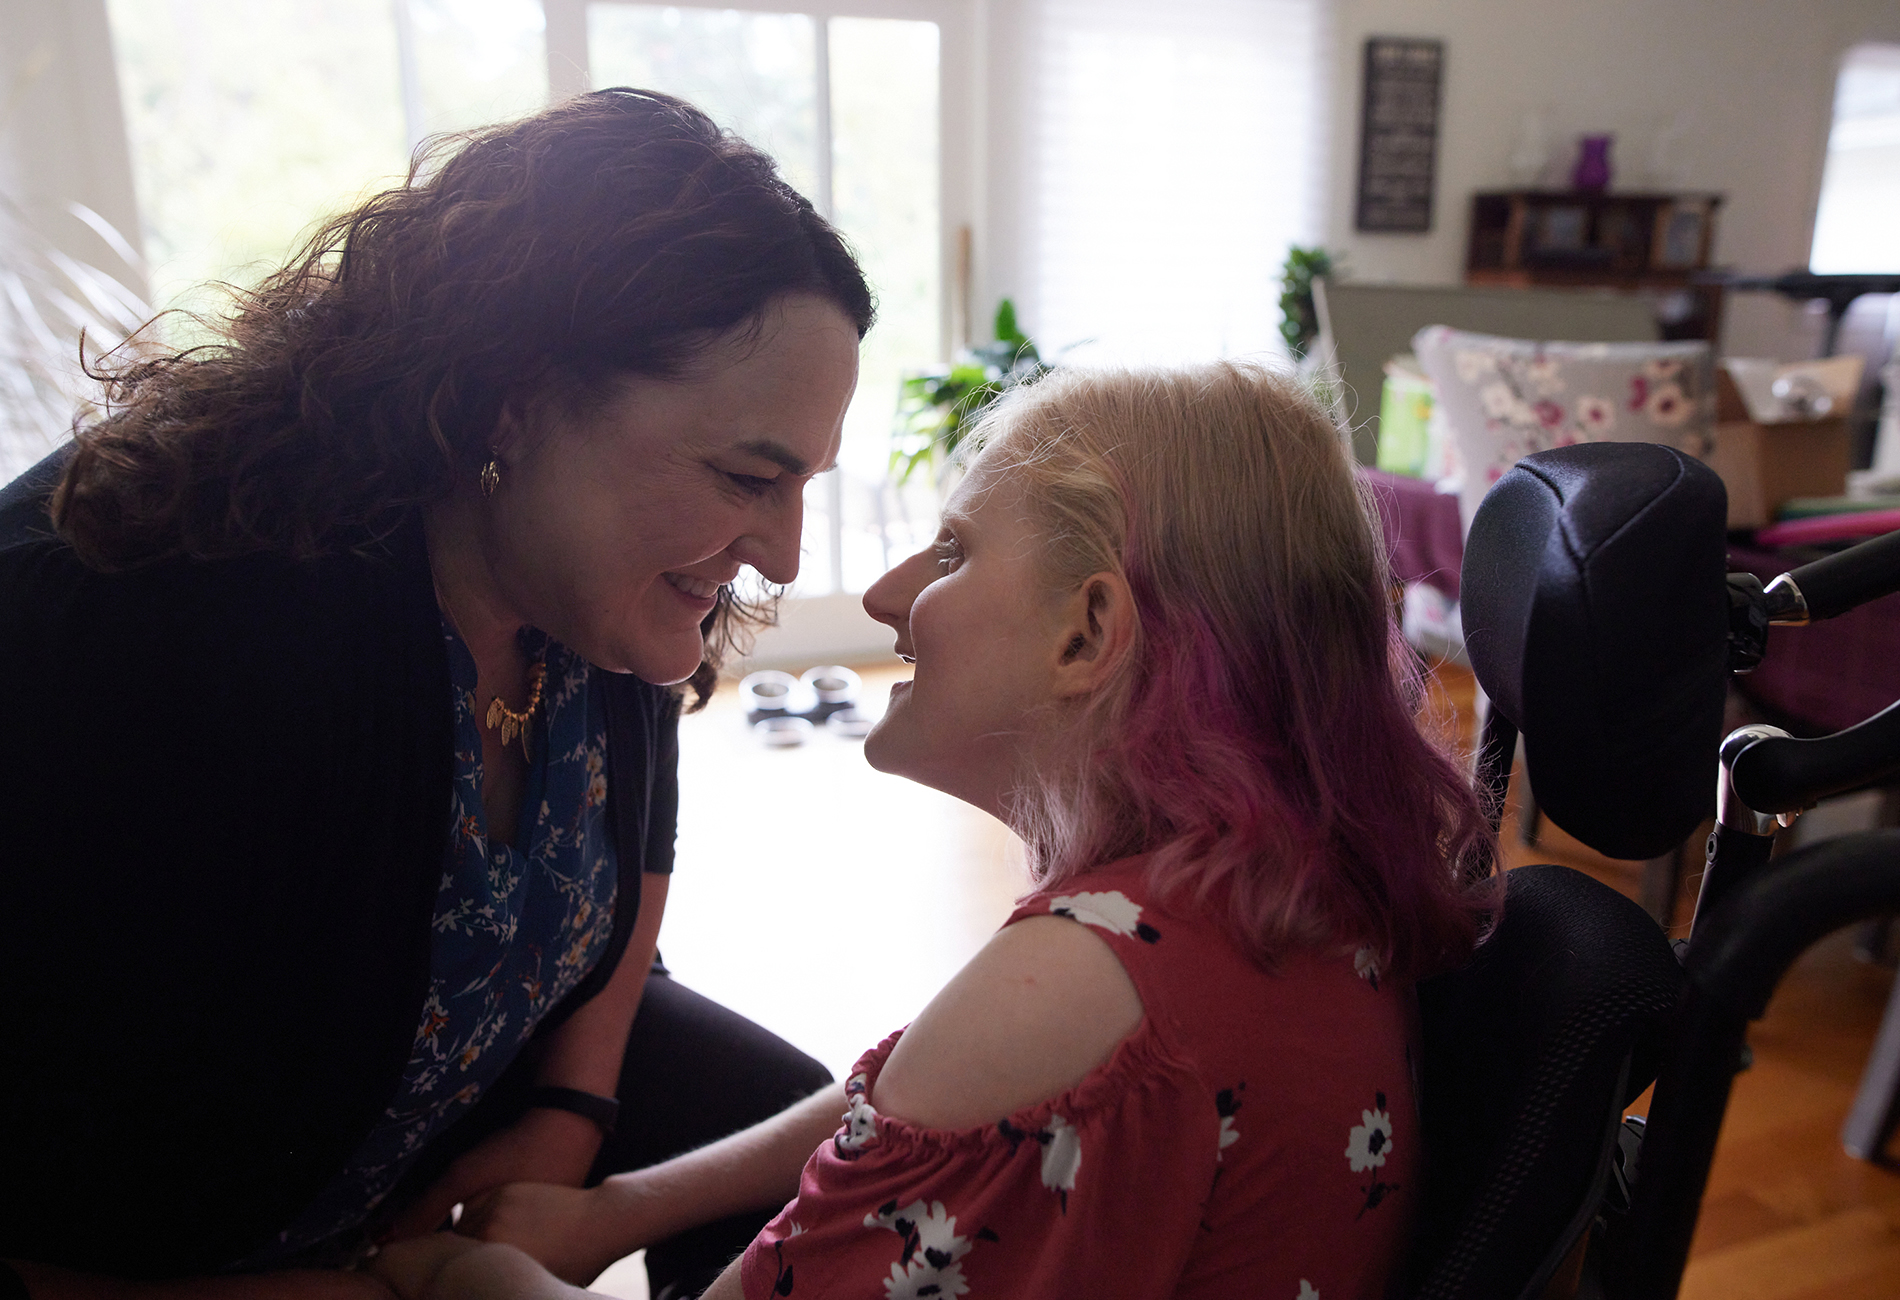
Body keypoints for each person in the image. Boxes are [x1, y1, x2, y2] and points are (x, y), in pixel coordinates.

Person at [0, 89, 874, 1300]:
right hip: (147, 1248)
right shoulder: (170, 640)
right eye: (745, 478)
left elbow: (637, 847)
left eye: (800, 488)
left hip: (414, 1120)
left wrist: (573, 1107)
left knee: (806, 1140)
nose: (782, 554)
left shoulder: (588, 599)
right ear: (511, 392)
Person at [375, 361, 1500, 1299]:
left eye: (953, 553)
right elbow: (914, 1086)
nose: (882, 592)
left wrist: (445, 1279)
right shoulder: (1249, 899)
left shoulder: (1070, 985)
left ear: (1088, 632)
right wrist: (619, 1208)